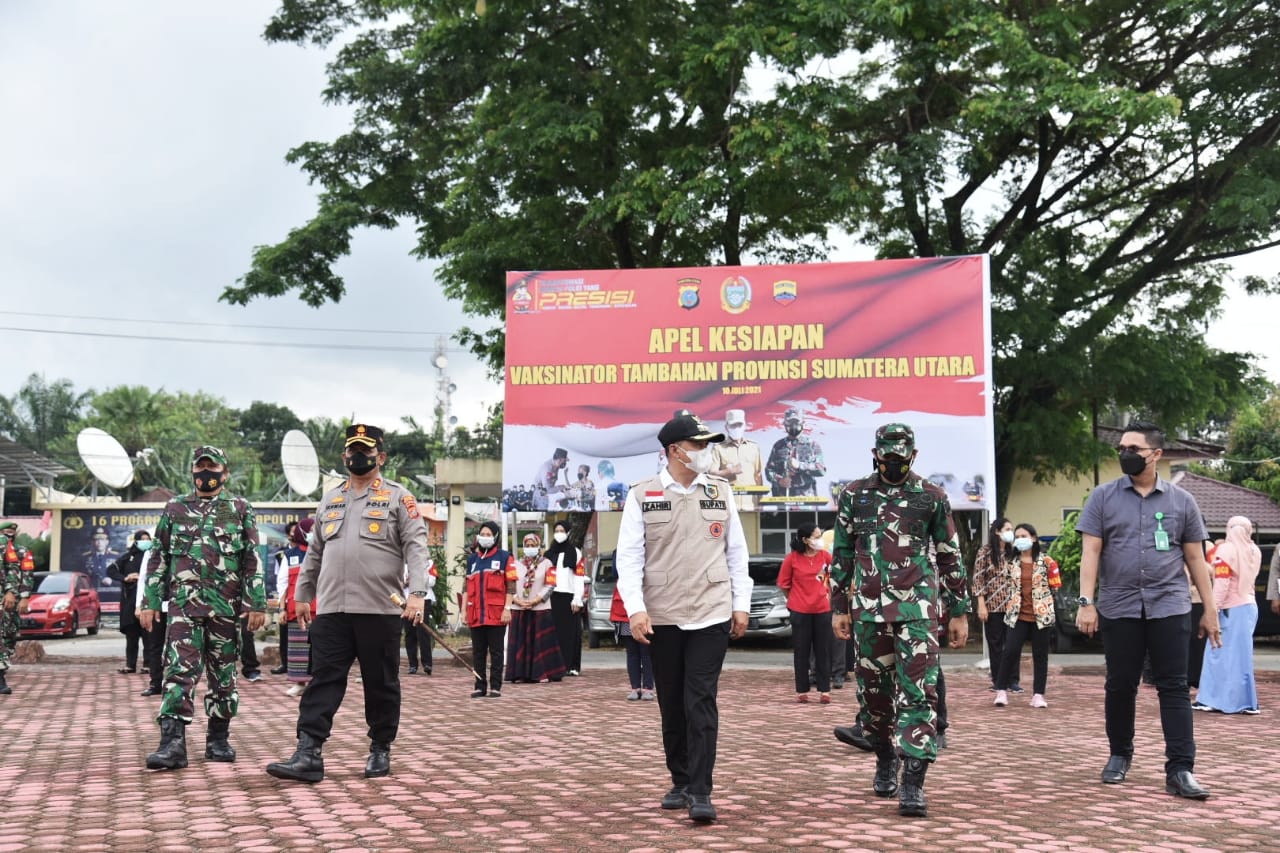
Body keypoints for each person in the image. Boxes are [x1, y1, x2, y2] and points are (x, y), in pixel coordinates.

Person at [266, 424, 431, 783]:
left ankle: (380, 748)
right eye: (353, 450)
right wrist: (303, 594)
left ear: (380, 457)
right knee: (323, 679)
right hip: (333, 610)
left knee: (381, 682)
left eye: (366, 451)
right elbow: (315, 552)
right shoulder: (330, 499)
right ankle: (308, 753)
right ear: (344, 457)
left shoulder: (399, 498)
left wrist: (417, 594)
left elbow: (417, 549)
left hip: (379, 608)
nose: (359, 456)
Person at [615, 412, 752, 824]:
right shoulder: (643, 494)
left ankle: (700, 789)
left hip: (711, 611)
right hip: (663, 615)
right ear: (675, 450)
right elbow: (629, 557)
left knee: (700, 699)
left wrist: (740, 602)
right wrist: (636, 609)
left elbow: (736, 552)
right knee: (672, 702)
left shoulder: (720, 491)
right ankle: (679, 778)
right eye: (698, 445)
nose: (706, 452)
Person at [1075, 420, 1221, 800]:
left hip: (1170, 605)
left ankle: (1180, 769)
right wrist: (1086, 603)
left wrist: (1209, 609)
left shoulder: (1181, 501)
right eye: (1121, 448)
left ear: (1155, 454)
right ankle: (1119, 755)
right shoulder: (1103, 497)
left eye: (1133, 449)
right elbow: (1090, 553)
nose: (1125, 454)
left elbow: (1195, 558)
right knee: (1120, 684)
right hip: (1119, 605)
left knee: (1174, 686)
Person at [830, 423, 968, 818]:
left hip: (917, 612)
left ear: (913, 455)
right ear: (875, 454)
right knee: (874, 699)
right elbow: (841, 552)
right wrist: (839, 604)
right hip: (869, 611)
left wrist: (957, 611)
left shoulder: (932, 497)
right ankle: (884, 755)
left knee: (919, 694)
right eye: (887, 457)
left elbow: (949, 555)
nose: (894, 464)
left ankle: (913, 782)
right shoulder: (855, 495)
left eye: (901, 458)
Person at [139, 445, 268, 770]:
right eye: (201, 468)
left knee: (223, 674)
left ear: (224, 473)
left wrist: (256, 602)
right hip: (184, 607)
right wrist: (150, 600)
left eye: (212, 468)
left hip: (225, 608)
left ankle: (218, 738)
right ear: (193, 471)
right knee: (178, 671)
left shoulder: (239, 509)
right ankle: (172, 743)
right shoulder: (175, 508)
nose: (206, 473)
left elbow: (251, 558)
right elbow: (158, 556)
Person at [1193, 515, 1261, 714]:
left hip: (1231, 609)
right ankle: (1245, 702)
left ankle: (1210, 699)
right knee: (1241, 657)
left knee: (1217, 653)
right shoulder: (1254, 550)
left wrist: (1211, 609)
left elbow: (1222, 584)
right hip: (1249, 607)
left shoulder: (1226, 550)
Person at [992, 523, 1059, 709]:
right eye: (1017, 535)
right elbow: (1005, 586)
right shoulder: (1011, 563)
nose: (1020, 539)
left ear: (1034, 538)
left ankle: (1038, 694)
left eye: (1024, 535)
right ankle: (1001, 690)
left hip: (1041, 616)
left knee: (1040, 655)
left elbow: (1055, 586)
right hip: (1017, 615)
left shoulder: (1047, 562)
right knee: (1010, 652)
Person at [778, 523, 833, 704]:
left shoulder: (826, 557)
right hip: (800, 611)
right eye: (816, 537)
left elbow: (836, 579)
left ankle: (825, 690)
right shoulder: (792, 559)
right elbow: (784, 585)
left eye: (820, 535)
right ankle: (802, 690)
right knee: (801, 651)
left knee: (823, 650)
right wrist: (794, 600)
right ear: (805, 540)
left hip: (823, 609)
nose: (819, 540)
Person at [462, 520, 515, 698]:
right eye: (482, 534)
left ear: (496, 537)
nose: (485, 538)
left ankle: (495, 686)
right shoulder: (472, 560)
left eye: (489, 535)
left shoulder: (505, 557)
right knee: (478, 652)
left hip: (496, 613)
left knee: (496, 651)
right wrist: (463, 611)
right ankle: (479, 685)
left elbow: (511, 586)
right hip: (476, 613)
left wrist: (507, 608)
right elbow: (466, 589)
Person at [506, 532, 567, 684]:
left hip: (540, 608)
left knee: (540, 643)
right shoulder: (515, 564)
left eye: (533, 545)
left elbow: (551, 584)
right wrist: (517, 600)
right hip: (519, 608)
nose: (530, 548)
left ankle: (542, 673)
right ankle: (520, 674)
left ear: (539, 547)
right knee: (521, 642)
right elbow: (509, 584)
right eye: (527, 545)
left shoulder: (547, 563)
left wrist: (536, 600)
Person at [971, 517, 1021, 692]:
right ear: (997, 532)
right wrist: (981, 604)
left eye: (1011, 529)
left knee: (1013, 644)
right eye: (1007, 529)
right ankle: (999, 680)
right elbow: (978, 579)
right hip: (992, 606)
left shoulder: (1014, 552)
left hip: (1013, 605)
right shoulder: (984, 552)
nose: (1010, 532)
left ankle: (1013, 680)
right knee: (996, 644)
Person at [279, 518, 315, 698]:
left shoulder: (323, 553)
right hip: (296, 610)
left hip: (319, 610)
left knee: (318, 649)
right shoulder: (290, 555)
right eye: (311, 530)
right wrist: (282, 609)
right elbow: (283, 583)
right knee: (298, 649)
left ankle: (317, 684)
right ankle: (300, 683)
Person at [107, 529, 152, 675]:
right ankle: (130, 665)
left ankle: (148, 664)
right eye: (142, 539)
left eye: (148, 539)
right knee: (131, 636)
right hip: (130, 602)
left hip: (148, 601)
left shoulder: (154, 557)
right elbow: (111, 570)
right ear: (136, 541)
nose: (146, 542)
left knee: (148, 635)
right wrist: (125, 578)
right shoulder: (128, 558)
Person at [544, 520, 585, 676]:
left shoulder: (575, 552)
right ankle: (553, 665)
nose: (559, 533)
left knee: (570, 633)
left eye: (562, 530)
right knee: (552, 633)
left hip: (568, 597)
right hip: (551, 597)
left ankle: (570, 665)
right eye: (557, 530)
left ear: (568, 533)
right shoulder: (549, 554)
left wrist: (577, 598)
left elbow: (579, 576)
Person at [0, 520, 34, 695]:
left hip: (7, 599)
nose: (9, 534)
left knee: (9, 633)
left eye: (11, 531)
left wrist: (21, 596)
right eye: (6, 531)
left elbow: (20, 573)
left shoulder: (16, 550)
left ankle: (2, 669)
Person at [765, 407, 826, 498]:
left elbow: (821, 470)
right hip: (782, 498)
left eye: (796, 423)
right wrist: (779, 480)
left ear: (802, 423)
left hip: (806, 499)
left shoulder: (812, 445)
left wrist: (800, 465)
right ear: (785, 424)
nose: (793, 426)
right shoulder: (778, 446)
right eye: (790, 423)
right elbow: (769, 470)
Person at [713, 408, 764, 510]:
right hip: (728, 505)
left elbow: (758, 475)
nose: (736, 428)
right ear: (726, 427)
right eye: (733, 425)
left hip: (750, 504)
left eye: (739, 425)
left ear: (744, 425)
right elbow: (711, 474)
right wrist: (730, 471)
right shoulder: (718, 448)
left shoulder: (753, 447)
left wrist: (761, 501)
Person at [610, 585, 655, 700]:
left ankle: (648, 688)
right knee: (632, 653)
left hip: (646, 612)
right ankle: (635, 688)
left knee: (647, 653)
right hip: (625, 613)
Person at [270, 520, 299, 676]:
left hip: (302, 599)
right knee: (284, 632)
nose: (296, 533)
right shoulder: (280, 554)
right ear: (288, 534)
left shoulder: (310, 552)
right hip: (286, 598)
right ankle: (285, 663)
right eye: (293, 531)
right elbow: (279, 578)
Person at [403, 560, 438, 675]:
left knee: (423, 632)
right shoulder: (402, 563)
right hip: (406, 600)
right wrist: (406, 581)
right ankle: (412, 664)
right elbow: (399, 581)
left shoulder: (429, 563)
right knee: (409, 633)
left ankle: (427, 663)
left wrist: (417, 577)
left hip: (424, 599)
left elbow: (432, 581)